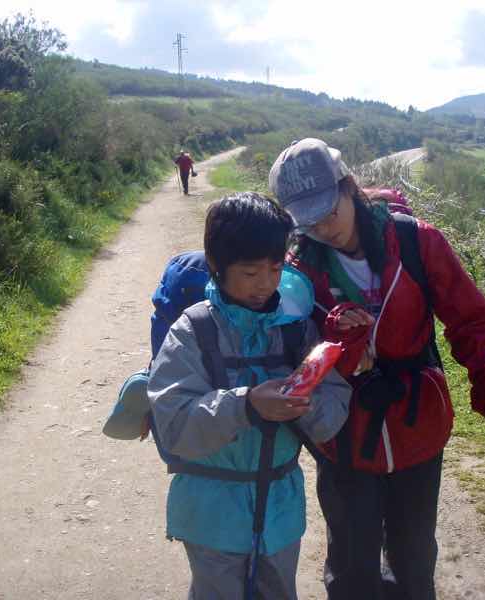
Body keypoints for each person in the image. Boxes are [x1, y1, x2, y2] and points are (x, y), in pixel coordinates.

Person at [269, 138, 485, 599]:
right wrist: (339, 348)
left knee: (412, 559)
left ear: (349, 186)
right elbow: (295, 351)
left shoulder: (415, 240)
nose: (324, 227)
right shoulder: (300, 270)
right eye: (308, 220)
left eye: (329, 210)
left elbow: (472, 322)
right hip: (344, 433)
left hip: (417, 424)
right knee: (352, 568)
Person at [148, 192, 351, 600]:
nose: (266, 284)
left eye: (276, 269)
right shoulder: (193, 332)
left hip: (280, 511)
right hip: (211, 516)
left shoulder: (295, 328)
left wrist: (306, 403)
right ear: (217, 268)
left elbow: (333, 415)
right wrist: (246, 405)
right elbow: (174, 427)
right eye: (250, 272)